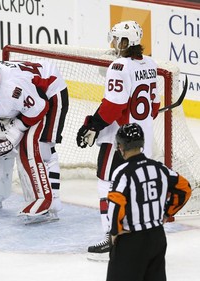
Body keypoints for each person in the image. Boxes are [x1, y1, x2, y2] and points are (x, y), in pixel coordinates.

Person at [76, 20, 161, 260]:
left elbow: (113, 106)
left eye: (116, 39)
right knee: (135, 187)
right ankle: (138, 237)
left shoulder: (119, 66)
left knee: (107, 184)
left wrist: (93, 125)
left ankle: (111, 240)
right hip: (143, 139)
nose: (113, 43)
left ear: (126, 42)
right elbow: (154, 107)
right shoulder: (151, 64)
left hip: (118, 140)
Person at [0, 59, 69, 224]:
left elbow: (40, 108)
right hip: (29, 97)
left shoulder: (11, 87)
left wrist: (16, 129)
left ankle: (50, 202)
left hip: (50, 93)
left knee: (38, 146)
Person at [106, 123, 191, 281]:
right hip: (157, 237)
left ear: (121, 147)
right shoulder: (160, 168)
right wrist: (167, 213)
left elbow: (116, 203)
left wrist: (114, 231)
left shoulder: (122, 173)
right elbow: (185, 188)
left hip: (131, 240)